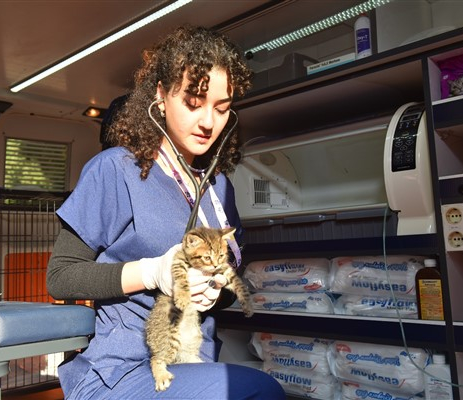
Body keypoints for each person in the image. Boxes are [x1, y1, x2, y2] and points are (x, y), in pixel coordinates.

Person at [46, 25, 286, 400]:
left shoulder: (219, 186)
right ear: (161, 96)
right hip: (125, 368)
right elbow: (61, 277)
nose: (208, 122)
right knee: (258, 390)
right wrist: (152, 272)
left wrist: (217, 290)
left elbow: (231, 274)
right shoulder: (115, 170)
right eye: (194, 102)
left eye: (222, 109)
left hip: (193, 360)